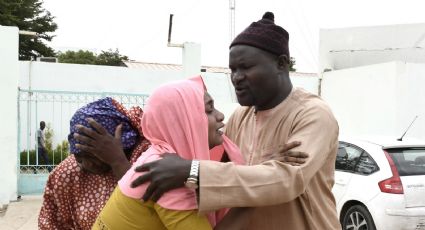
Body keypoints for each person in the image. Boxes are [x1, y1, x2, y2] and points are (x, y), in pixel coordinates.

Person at [128, 12, 341, 230]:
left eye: (246, 67)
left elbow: (287, 180)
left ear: (281, 63)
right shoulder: (242, 116)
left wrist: (193, 171)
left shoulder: (312, 115)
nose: (236, 77)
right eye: (233, 69)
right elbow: (207, 153)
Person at [76, 77, 304, 229]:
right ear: (184, 120)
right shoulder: (166, 174)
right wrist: (256, 193)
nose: (221, 115)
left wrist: (258, 173)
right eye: (208, 109)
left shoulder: (162, 159)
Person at [38, 98, 150, 230]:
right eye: (79, 157)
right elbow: (49, 223)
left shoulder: (145, 157)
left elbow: (150, 212)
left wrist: (118, 162)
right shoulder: (67, 173)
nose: (86, 164)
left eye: (92, 155)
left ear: (122, 145)